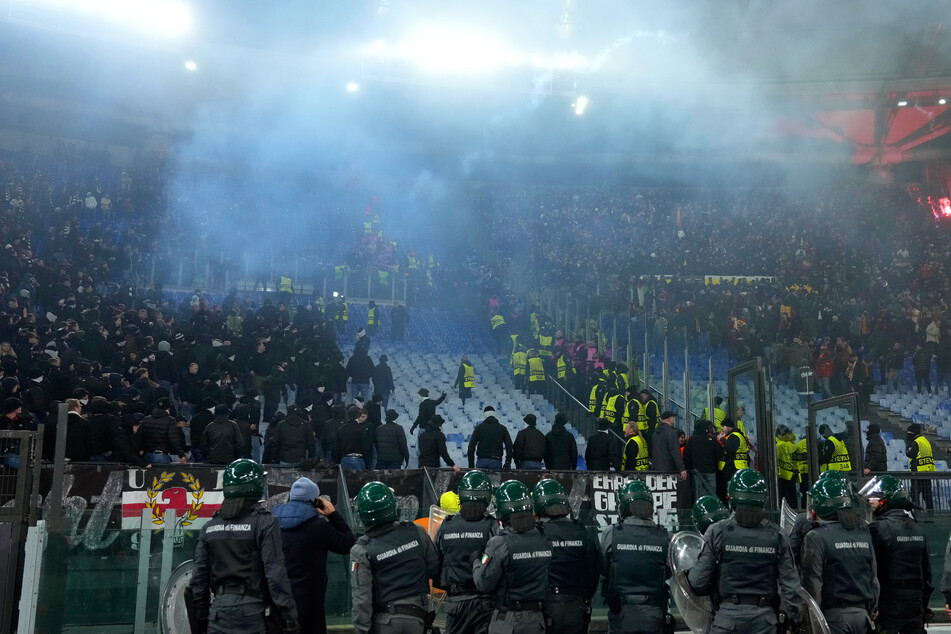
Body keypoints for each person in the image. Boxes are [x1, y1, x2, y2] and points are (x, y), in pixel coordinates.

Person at [188, 459, 300, 634]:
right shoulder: (265, 523)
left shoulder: (209, 528)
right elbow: (275, 574)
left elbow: (198, 579)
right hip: (251, 613)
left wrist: (201, 617)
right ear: (254, 485)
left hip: (218, 613)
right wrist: (289, 616)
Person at [688, 469, 803, 634]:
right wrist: (796, 619)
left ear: (732, 498)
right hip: (765, 622)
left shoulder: (717, 531)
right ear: (764, 499)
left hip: (726, 620)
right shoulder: (777, 535)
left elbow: (697, 581)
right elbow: (791, 587)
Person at [349, 481, 439, 634]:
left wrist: (361, 630)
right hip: (418, 619)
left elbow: (361, 599)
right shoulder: (417, 531)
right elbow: (434, 568)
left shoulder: (361, 550)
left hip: (384, 623)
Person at [273, 477, 356, 634]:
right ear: (315, 501)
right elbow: (349, 543)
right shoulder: (319, 527)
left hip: (278, 601)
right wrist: (332, 514)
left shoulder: (272, 523)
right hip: (310, 606)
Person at [800, 476, 879, 634]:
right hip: (862, 617)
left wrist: (811, 621)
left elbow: (813, 584)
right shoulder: (863, 532)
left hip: (833, 618)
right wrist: (872, 608)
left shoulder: (816, 536)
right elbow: (873, 577)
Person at [472, 480, 552, 634]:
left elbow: (484, 583)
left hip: (508, 621)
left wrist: (477, 561)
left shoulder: (499, 543)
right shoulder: (544, 538)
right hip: (538, 621)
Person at [860, 475, 933, 633]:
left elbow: (871, 570)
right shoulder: (917, 528)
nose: (871, 503)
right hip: (915, 604)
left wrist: (873, 604)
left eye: (875, 499)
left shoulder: (878, 529)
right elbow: (926, 573)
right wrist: (923, 605)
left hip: (888, 605)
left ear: (885, 502)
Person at [600, 479, 670, 634]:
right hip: (654, 612)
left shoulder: (611, 533)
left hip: (622, 613)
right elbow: (671, 571)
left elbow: (604, 569)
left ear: (623, 506)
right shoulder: (665, 536)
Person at [434, 470, 498, 634]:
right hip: (484, 603)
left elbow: (436, 563)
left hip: (455, 602)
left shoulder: (445, 526)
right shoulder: (492, 526)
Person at [535, 479, 598, 634]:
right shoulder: (581, 530)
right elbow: (594, 568)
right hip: (576, 605)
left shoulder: (537, 533)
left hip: (545, 606)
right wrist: (586, 596)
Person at [141, 396, 187, 464]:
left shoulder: (146, 420)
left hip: (146, 455)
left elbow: (141, 437)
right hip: (161, 456)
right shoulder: (170, 420)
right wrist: (182, 455)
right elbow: (174, 440)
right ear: (168, 408)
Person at [683, 419, 720, 500]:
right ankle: (712, 509)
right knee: (711, 493)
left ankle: (700, 509)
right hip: (710, 470)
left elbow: (686, 456)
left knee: (698, 493)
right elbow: (719, 453)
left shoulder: (691, 440)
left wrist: (689, 469)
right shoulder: (712, 440)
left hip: (696, 471)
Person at [906, 422, 935, 510]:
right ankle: (930, 515)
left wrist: (907, 445)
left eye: (909, 433)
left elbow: (910, 454)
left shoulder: (916, 442)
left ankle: (917, 515)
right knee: (927, 496)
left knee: (914, 495)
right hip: (927, 472)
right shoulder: (925, 441)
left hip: (918, 472)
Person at [651, 410, 687, 481]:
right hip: (668, 468)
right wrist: (681, 469)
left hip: (656, 466)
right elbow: (675, 450)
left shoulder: (655, 432)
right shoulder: (671, 432)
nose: (674, 420)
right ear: (670, 419)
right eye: (673, 417)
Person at [335, 405, 371, 470]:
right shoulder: (362, 429)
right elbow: (366, 447)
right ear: (358, 416)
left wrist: (338, 460)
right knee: (358, 479)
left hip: (344, 459)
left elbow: (336, 448)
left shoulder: (341, 429)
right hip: (358, 459)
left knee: (345, 479)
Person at [717, 418, 749, 492]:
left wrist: (722, 439)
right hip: (737, 465)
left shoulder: (734, 436)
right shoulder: (735, 435)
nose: (721, 428)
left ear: (729, 427)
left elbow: (731, 448)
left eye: (723, 426)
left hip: (734, 466)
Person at [775, 425, 798, 509]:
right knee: (788, 497)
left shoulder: (782, 444)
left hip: (785, 473)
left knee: (787, 497)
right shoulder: (783, 444)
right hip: (784, 474)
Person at [64, 397, 93, 462]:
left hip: (60, 458)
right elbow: (89, 442)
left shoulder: (58, 422)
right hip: (80, 459)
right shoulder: (85, 423)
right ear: (76, 408)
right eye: (80, 406)